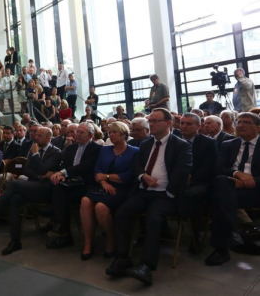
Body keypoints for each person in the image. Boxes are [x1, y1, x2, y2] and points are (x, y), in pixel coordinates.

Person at [106, 108, 192, 286]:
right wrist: (143, 176)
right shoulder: (145, 144)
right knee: (122, 213)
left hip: (166, 195)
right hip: (144, 191)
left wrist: (167, 192)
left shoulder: (181, 145)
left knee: (154, 217)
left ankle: (146, 265)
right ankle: (122, 258)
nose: (151, 124)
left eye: (155, 121)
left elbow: (182, 174)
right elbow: (136, 166)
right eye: (150, 121)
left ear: (168, 123)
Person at [0, 127, 62, 255]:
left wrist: (36, 157)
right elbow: (26, 170)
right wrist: (39, 175)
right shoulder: (33, 150)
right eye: (36, 135)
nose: (36, 137)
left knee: (14, 184)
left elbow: (43, 168)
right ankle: (15, 241)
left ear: (49, 138)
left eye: (40, 135)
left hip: (47, 189)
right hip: (33, 184)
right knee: (15, 199)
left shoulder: (56, 152)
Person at [205, 113, 260, 266]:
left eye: (247, 122)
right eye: (239, 122)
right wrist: (238, 174)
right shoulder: (229, 144)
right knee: (221, 182)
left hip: (256, 191)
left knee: (220, 199)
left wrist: (250, 181)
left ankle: (224, 246)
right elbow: (220, 168)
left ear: (258, 128)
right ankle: (232, 238)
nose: (241, 125)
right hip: (231, 188)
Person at [79, 121, 138, 260]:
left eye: (114, 132)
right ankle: (88, 243)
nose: (111, 135)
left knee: (100, 207)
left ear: (123, 134)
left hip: (122, 189)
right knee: (85, 201)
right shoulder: (104, 149)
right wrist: (104, 181)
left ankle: (111, 239)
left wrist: (106, 176)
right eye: (109, 132)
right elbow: (97, 169)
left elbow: (130, 175)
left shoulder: (134, 151)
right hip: (103, 186)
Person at [47, 123, 102, 251]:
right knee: (57, 186)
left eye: (81, 133)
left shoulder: (96, 148)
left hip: (87, 185)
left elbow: (85, 166)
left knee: (60, 196)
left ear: (91, 135)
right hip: (72, 183)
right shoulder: (71, 148)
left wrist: (64, 173)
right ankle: (62, 228)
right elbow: (65, 165)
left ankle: (59, 224)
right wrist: (62, 176)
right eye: (77, 132)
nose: (77, 135)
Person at [178, 113, 218, 252]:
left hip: (200, 182)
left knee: (191, 195)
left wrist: (189, 181)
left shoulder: (208, 143)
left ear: (198, 126)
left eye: (189, 124)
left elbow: (208, 168)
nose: (184, 126)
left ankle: (195, 237)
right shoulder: (174, 141)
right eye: (182, 123)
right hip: (177, 181)